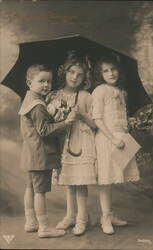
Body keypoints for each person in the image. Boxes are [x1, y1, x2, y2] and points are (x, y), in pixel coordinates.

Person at [18, 64, 75, 238]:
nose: (46, 85)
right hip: (40, 154)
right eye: (41, 81)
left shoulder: (29, 100)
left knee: (30, 187)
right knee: (40, 191)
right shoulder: (37, 105)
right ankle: (44, 227)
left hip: (30, 153)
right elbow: (44, 131)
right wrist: (65, 123)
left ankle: (31, 221)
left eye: (49, 81)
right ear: (29, 82)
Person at [46, 51, 97, 236]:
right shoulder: (54, 94)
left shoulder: (86, 96)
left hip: (81, 142)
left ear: (85, 77)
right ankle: (70, 215)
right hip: (62, 141)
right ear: (64, 72)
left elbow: (95, 124)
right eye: (71, 72)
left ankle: (82, 218)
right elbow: (49, 121)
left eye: (80, 74)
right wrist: (59, 114)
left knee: (80, 182)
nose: (75, 77)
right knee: (68, 181)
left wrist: (82, 114)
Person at [92, 56, 140, 235]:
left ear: (119, 71)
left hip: (122, 137)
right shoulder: (100, 90)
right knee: (105, 180)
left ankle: (109, 215)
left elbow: (121, 117)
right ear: (100, 74)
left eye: (113, 69)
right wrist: (112, 138)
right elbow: (97, 118)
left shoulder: (122, 92)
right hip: (107, 138)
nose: (111, 73)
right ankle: (105, 217)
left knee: (112, 179)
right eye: (106, 70)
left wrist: (131, 124)